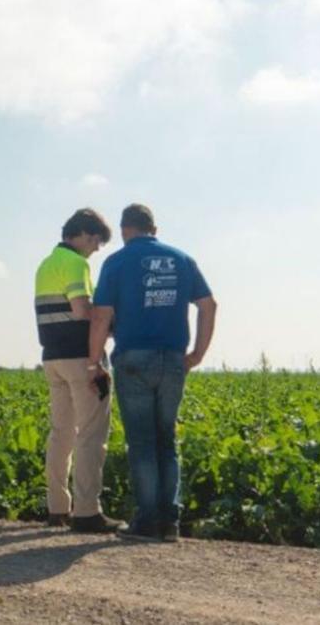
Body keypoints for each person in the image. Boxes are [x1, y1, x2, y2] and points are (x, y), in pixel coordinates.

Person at [88, 204, 217, 542]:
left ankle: (148, 521)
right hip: (174, 359)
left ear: (125, 229)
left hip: (133, 359)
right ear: (154, 229)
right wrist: (197, 355)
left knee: (142, 442)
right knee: (167, 440)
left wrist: (94, 362)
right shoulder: (182, 259)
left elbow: (101, 317)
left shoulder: (115, 262)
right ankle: (170, 521)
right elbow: (208, 305)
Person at [34, 208, 126, 533]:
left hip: (52, 359)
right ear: (85, 234)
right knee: (91, 434)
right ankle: (87, 511)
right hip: (79, 358)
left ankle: (58, 508)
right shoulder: (76, 264)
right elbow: (82, 310)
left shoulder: (45, 265)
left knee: (61, 433)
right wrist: (112, 326)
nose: (97, 249)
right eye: (97, 242)